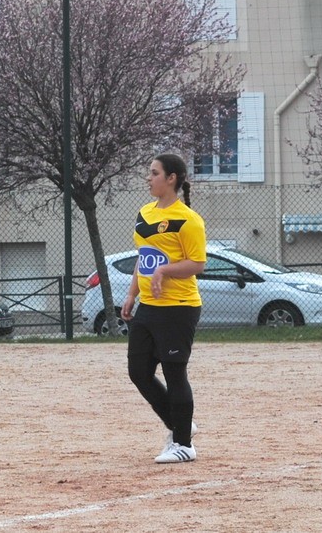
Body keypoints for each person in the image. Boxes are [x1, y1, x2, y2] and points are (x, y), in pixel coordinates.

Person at [121, 153, 206, 463]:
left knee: (174, 372)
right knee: (138, 371)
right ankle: (180, 423)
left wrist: (164, 271)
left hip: (178, 306)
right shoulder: (145, 213)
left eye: (154, 173)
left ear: (171, 179)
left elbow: (197, 264)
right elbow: (144, 258)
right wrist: (132, 294)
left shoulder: (188, 219)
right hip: (148, 306)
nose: (149, 178)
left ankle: (183, 444)